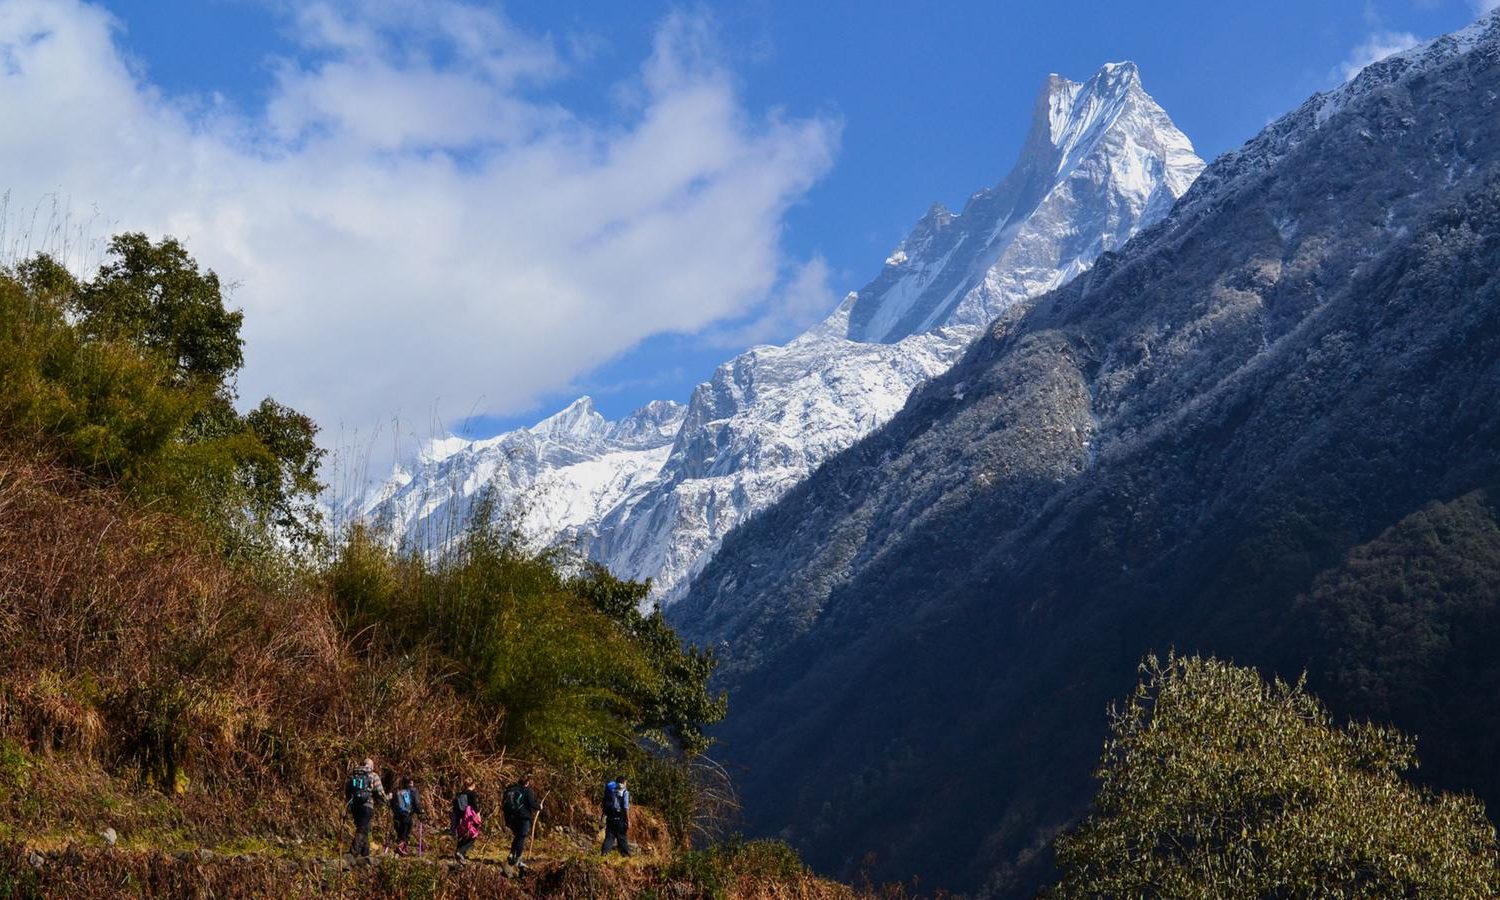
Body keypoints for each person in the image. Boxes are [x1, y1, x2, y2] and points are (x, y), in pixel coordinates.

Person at [345, 758, 388, 858]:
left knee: (366, 827)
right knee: (362, 829)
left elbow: (347, 790)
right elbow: (380, 792)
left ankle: (365, 853)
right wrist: (387, 800)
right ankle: (352, 852)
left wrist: (351, 802)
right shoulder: (373, 775)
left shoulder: (354, 775)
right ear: (371, 766)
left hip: (355, 805)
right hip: (367, 805)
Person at [502, 771, 543, 869]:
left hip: (511, 817)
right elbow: (531, 804)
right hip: (523, 817)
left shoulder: (510, 789)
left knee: (517, 836)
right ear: (527, 782)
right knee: (521, 837)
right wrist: (539, 807)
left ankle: (512, 854)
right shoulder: (528, 791)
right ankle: (518, 859)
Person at [389, 776, 424, 856]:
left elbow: (391, 803)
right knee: (405, 834)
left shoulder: (397, 791)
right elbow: (417, 803)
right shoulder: (413, 791)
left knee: (400, 834)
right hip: (406, 816)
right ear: (411, 782)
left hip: (397, 816)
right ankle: (402, 849)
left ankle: (400, 851)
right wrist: (421, 812)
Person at [450, 780, 483, 862]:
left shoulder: (459, 794)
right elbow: (475, 806)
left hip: (459, 819)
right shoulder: (472, 794)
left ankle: (458, 853)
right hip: (469, 819)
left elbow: (454, 806)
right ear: (473, 784)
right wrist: (478, 816)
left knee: (462, 835)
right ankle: (461, 852)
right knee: (473, 836)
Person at [600, 775, 632, 857]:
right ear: (623, 783)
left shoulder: (612, 791)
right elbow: (625, 807)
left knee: (609, 838)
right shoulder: (625, 792)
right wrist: (628, 820)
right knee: (622, 837)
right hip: (620, 819)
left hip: (610, 818)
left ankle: (604, 854)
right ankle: (627, 856)